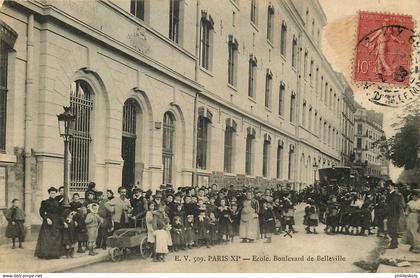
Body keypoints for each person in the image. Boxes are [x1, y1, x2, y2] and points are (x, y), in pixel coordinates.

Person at [35, 187, 64, 259]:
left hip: (56, 221)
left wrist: (62, 221)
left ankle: (54, 254)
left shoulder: (58, 203)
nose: (53, 194)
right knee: (47, 238)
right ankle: (46, 254)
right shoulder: (45, 202)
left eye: (54, 193)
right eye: (51, 193)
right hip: (48, 221)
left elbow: (60, 213)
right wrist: (47, 218)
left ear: (55, 194)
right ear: (49, 194)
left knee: (56, 237)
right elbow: (41, 212)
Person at [385, 183, 404, 249]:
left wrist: (398, 214)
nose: (388, 187)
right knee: (390, 228)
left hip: (394, 214)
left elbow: (400, 206)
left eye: (389, 186)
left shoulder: (398, 196)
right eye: (387, 186)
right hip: (390, 214)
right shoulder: (389, 194)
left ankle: (393, 244)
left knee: (393, 229)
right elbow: (387, 204)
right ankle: (394, 243)